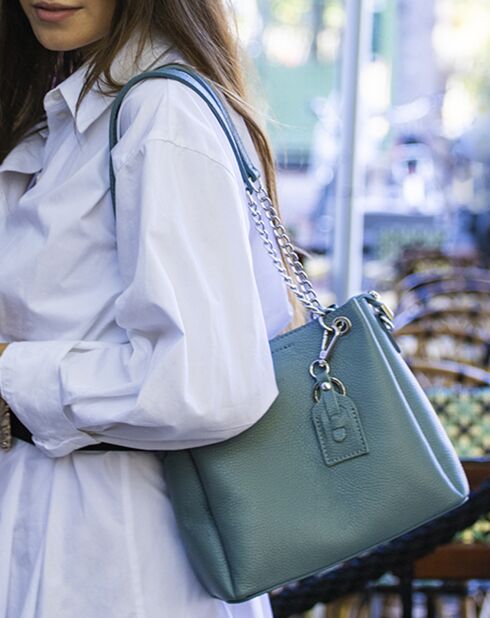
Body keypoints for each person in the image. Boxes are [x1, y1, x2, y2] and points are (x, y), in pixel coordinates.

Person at [0, 0, 300, 616]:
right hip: (72, 530)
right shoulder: (74, 106)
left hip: (123, 554)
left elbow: (206, 382)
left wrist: (11, 371)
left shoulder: (161, 112)